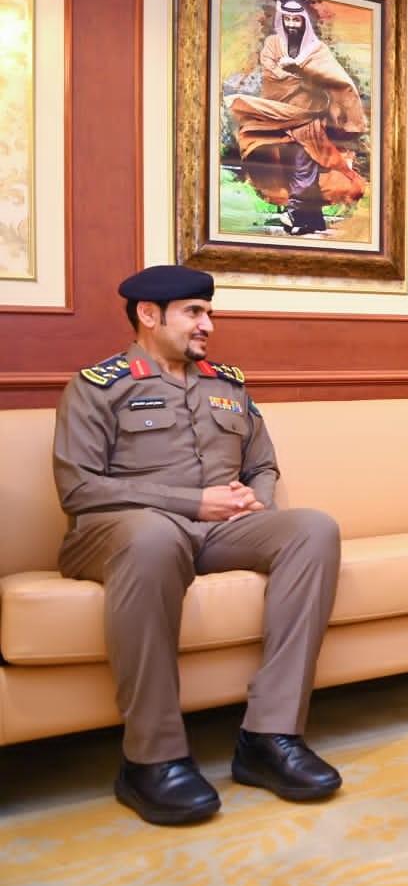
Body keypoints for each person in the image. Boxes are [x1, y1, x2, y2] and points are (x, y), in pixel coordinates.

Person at [52, 265, 343, 826]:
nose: (208, 324)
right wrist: (192, 502)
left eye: (209, 313)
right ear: (148, 315)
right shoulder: (97, 387)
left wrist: (256, 502)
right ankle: (151, 757)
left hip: (217, 532)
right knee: (154, 536)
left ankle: (270, 736)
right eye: (194, 313)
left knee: (313, 529)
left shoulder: (226, 384)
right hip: (124, 533)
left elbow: (262, 464)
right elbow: (79, 488)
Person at [227, 0, 367, 236]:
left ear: (304, 22)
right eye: (288, 19)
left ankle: (295, 212)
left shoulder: (318, 51)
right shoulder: (273, 44)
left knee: (304, 164)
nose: (292, 24)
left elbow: (333, 80)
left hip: (309, 118)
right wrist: (300, 76)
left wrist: (301, 71)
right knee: (290, 167)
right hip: (279, 116)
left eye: (296, 20)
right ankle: (312, 220)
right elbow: (273, 76)